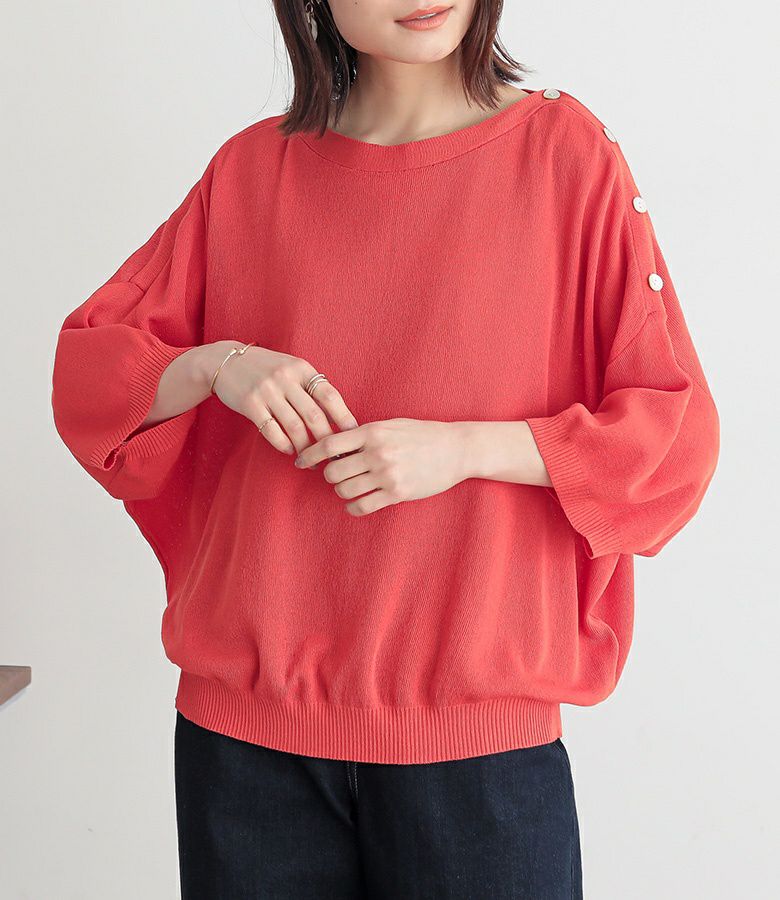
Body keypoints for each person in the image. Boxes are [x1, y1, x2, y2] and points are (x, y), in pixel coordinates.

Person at [50, 1, 720, 897]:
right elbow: (91, 376)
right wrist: (217, 366)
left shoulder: (566, 156)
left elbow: (674, 439)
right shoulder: (251, 171)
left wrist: (467, 450)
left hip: (479, 758)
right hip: (245, 757)